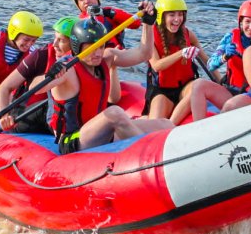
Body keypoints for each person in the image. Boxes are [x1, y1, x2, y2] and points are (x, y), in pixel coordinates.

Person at [43, 17, 172, 153]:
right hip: (73, 139)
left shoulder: (107, 58)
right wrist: (52, 73)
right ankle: (151, 154)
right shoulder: (67, 69)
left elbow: (143, 54)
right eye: (92, 48)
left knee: (164, 124)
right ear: (78, 46)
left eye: (101, 46)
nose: (98, 53)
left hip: (100, 131)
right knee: (114, 112)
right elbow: (42, 87)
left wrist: (148, 23)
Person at [180, 0, 251, 122]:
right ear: (240, 22)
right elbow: (211, 65)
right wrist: (224, 57)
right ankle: (199, 128)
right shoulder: (230, 38)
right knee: (199, 85)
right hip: (232, 92)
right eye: (247, 21)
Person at [0, 16, 76, 134]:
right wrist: (4, 116)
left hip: (57, 115)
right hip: (25, 114)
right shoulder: (40, 56)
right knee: (50, 106)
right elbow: (4, 88)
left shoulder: (85, 60)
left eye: (61, 40)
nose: (55, 44)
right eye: (55, 38)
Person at [144, 0, 210, 120]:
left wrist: (222, 82)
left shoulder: (189, 35)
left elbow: (207, 63)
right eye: (172, 15)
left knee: (197, 88)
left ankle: (171, 123)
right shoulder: (150, 37)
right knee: (155, 121)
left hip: (185, 87)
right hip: (162, 90)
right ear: (161, 17)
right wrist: (182, 53)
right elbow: (157, 66)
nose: (177, 19)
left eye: (180, 14)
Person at [71, 0, 141, 50]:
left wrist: (110, 14)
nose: (86, 1)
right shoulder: (77, 23)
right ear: (78, 4)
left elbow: (136, 23)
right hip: (92, 58)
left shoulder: (110, 12)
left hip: (116, 56)